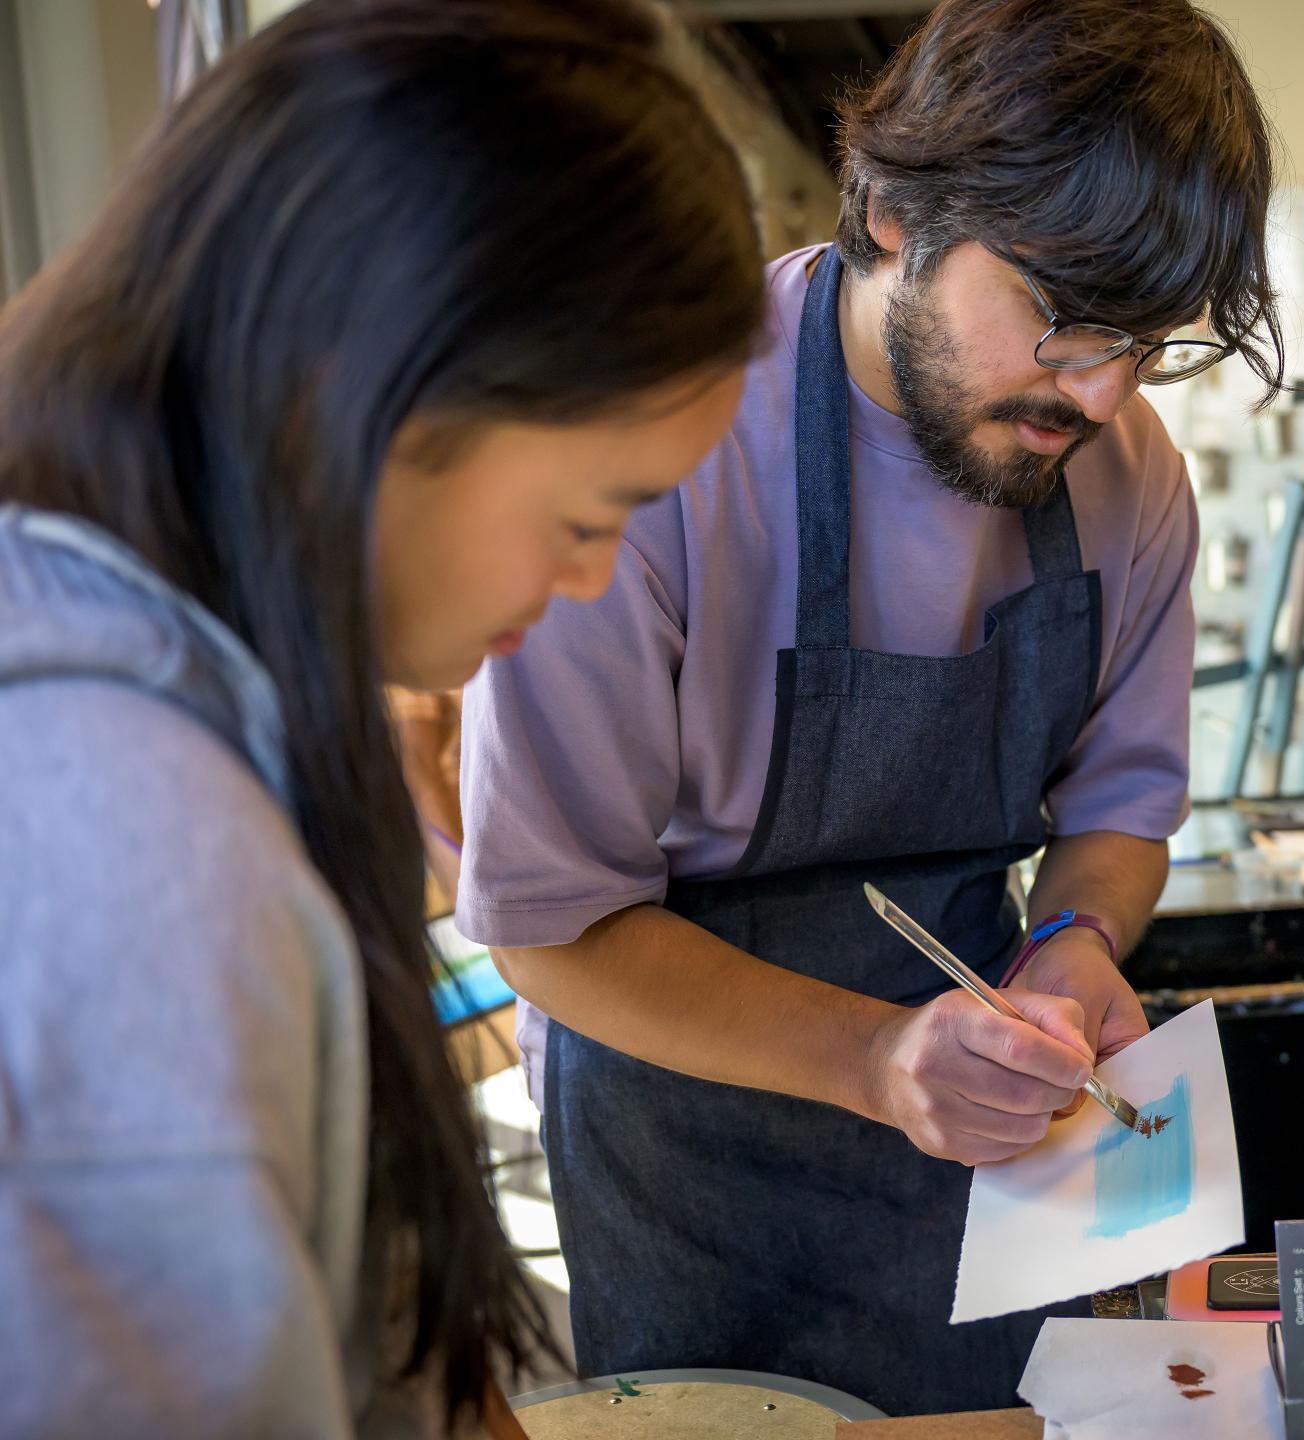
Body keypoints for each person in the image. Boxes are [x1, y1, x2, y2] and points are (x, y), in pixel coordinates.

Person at [460, 0, 1284, 1416]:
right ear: (899, 208)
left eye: (1147, 339)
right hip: (684, 1140)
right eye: (1066, 318)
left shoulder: (1129, 476)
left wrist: (1077, 944)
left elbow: (1119, 812)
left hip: (994, 1138)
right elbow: (548, 926)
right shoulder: (662, 452)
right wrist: (871, 1058)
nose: (1103, 391)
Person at [0, 0, 763, 1434]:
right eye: (586, 514)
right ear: (364, 394)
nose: (592, 579)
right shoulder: (126, 844)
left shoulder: (205, 693)